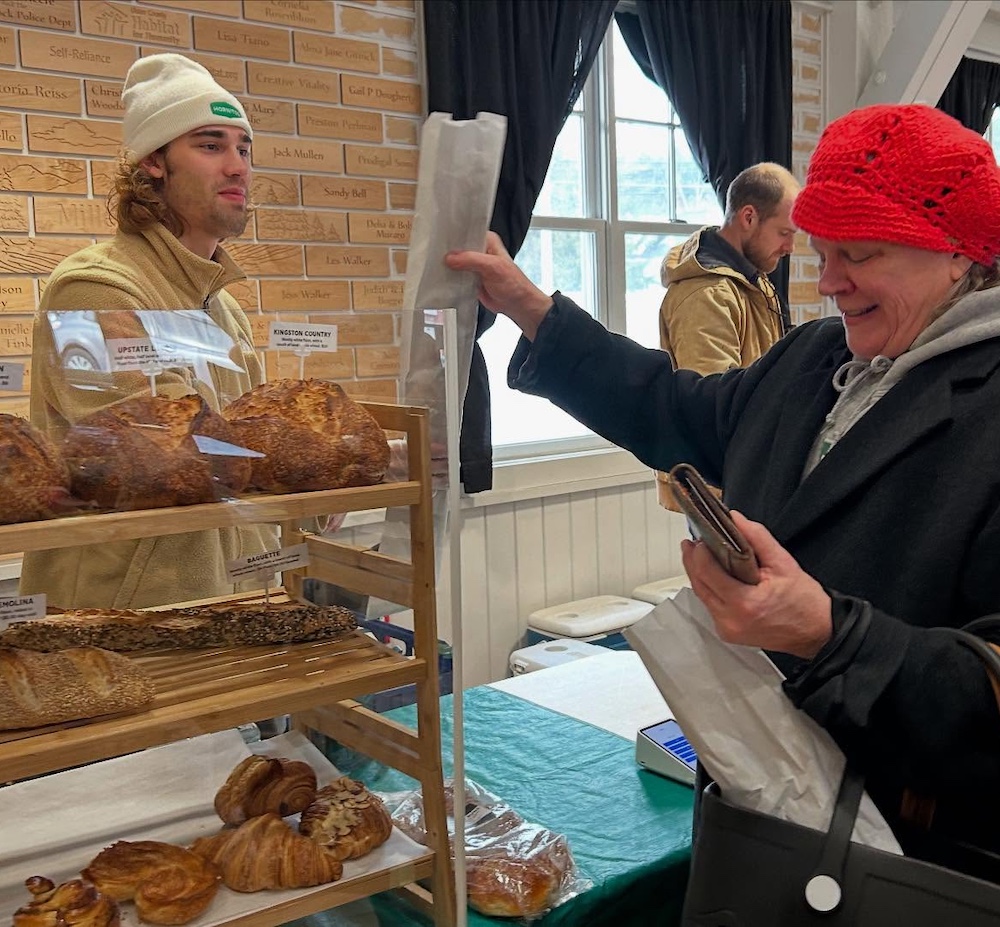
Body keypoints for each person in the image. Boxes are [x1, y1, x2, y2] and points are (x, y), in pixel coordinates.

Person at [445, 103, 1000, 875]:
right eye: (819, 249)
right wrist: (529, 309)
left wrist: (828, 634)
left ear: (961, 256)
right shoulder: (814, 359)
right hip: (756, 816)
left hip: (909, 859)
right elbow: (673, 407)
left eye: (860, 253)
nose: (828, 280)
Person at [19, 53, 275, 609]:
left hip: (232, 601)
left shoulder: (224, 306)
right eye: (210, 146)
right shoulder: (93, 290)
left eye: (243, 148)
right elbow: (161, 461)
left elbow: (246, 450)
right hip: (123, 618)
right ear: (154, 163)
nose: (237, 167)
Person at [655, 162, 799, 508]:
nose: (790, 247)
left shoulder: (752, 281)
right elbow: (712, 405)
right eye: (784, 232)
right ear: (748, 217)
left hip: (749, 469)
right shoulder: (707, 295)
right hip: (719, 481)